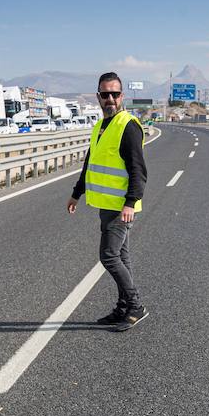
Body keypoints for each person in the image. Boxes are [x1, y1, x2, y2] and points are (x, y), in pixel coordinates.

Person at [67, 71, 148, 330]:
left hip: (120, 207)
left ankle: (135, 306)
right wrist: (76, 193)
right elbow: (90, 164)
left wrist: (130, 202)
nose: (110, 98)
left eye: (115, 94)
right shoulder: (100, 127)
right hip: (106, 204)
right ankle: (124, 308)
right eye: (105, 94)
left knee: (109, 256)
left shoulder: (128, 125)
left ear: (122, 96)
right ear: (98, 97)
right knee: (121, 257)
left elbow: (139, 170)